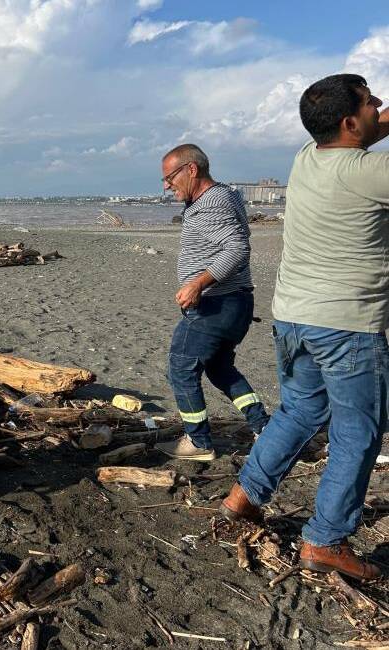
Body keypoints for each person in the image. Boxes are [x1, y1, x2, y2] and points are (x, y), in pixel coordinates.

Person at [220, 74, 389, 580]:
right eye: (370, 100)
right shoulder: (371, 172)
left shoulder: (306, 156)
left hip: (293, 317)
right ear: (349, 121)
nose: (379, 104)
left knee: (299, 410)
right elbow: (369, 142)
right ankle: (324, 541)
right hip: (347, 326)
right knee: (358, 433)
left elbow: (364, 134)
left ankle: (243, 497)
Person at [155, 144, 270, 461]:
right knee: (220, 368)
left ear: (191, 169)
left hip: (216, 306)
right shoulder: (224, 195)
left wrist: (197, 283)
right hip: (236, 304)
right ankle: (263, 426)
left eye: (169, 177)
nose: (166, 185)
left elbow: (237, 249)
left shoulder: (212, 202)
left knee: (181, 368)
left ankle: (198, 442)